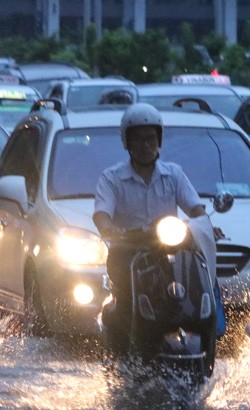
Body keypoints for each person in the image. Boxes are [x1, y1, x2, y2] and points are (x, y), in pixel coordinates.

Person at [92, 103, 220, 351]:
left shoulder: (174, 175)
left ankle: (205, 338)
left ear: (159, 140)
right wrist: (111, 230)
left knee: (194, 288)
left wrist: (207, 225)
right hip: (127, 254)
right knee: (127, 301)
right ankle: (125, 348)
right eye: (138, 139)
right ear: (127, 142)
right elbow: (101, 214)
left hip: (166, 254)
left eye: (151, 138)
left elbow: (196, 209)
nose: (145, 145)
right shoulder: (112, 178)